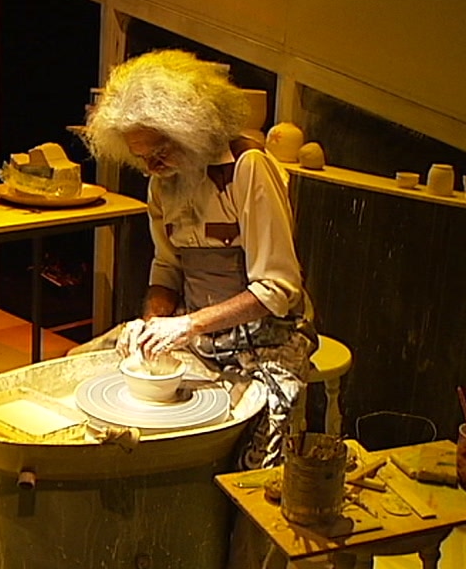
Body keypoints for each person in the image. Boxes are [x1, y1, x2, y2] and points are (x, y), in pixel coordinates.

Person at [78, 49, 319, 470]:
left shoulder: (247, 169)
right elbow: (167, 269)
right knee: (83, 368)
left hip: (268, 338)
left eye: (159, 153)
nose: (152, 168)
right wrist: (154, 323)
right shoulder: (162, 185)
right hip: (199, 333)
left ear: (191, 130)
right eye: (141, 158)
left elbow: (279, 290)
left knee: (258, 451)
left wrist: (188, 325)